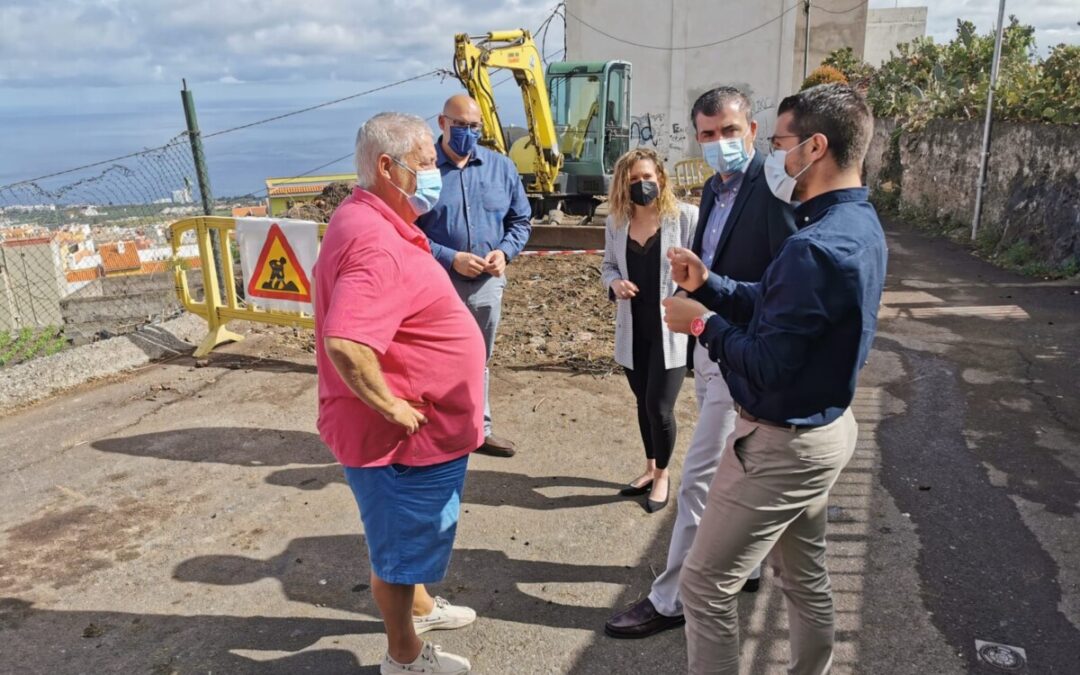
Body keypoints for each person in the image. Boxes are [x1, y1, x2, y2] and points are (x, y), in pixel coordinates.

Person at [662, 83, 888, 674]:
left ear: (814, 148)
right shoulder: (856, 224)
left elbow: (765, 360)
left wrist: (702, 324)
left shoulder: (812, 246)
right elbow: (777, 303)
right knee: (802, 573)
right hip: (826, 430)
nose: (775, 159)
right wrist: (710, 285)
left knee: (706, 586)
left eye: (781, 143)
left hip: (780, 444)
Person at [605, 87, 796, 639]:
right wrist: (699, 277)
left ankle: (672, 600)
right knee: (746, 471)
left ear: (753, 132)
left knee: (699, 481)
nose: (719, 144)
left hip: (742, 352)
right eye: (708, 135)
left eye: (730, 132)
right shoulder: (715, 188)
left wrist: (711, 300)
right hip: (711, 348)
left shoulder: (774, 192)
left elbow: (784, 283)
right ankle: (751, 567)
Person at [314, 112, 485, 675]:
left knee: (400, 540)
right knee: (396, 553)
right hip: (401, 440)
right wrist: (392, 407)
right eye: (428, 163)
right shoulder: (375, 242)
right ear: (387, 167)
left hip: (408, 434)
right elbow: (347, 341)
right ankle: (404, 657)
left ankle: (422, 610)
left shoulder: (368, 216)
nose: (436, 170)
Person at [415, 94, 533, 458]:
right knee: (432, 358)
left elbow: (520, 220)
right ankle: (432, 433)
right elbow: (407, 229)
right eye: (460, 125)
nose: (467, 133)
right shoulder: (423, 172)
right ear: (442, 123)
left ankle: (478, 431)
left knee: (477, 358)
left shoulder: (501, 168)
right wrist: (450, 258)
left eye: (474, 126)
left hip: (486, 285)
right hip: (435, 284)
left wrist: (505, 252)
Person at [600, 147, 699, 513]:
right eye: (634, 179)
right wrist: (614, 284)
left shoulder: (686, 218)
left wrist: (687, 296)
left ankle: (662, 475)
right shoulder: (616, 222)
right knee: (642, 402)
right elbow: (608, 265)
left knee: (660, 407)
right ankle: (648, 466)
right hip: (633, 326)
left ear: (661, 177)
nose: (643, 184)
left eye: (647, 177)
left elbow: (703, 271)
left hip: (670, 330)